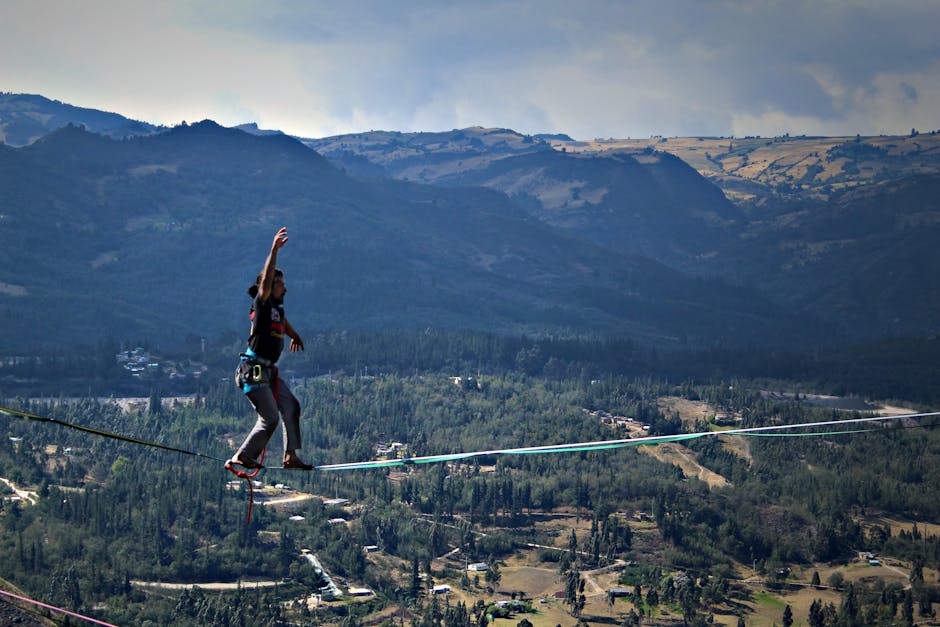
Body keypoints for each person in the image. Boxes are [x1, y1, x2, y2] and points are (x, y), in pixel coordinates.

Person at [227, 227, 313, 471]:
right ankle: (243, 455)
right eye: (280, 285)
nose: (284, 288)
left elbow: (283, 323)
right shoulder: (263, 303)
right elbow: (265, 281)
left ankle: (290, 457)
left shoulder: (276, 309)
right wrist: (273, 251)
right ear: (269, 287)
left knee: (292, 406)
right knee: (270, 418)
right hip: (252, 370)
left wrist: (294, 335)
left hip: (268, 372)